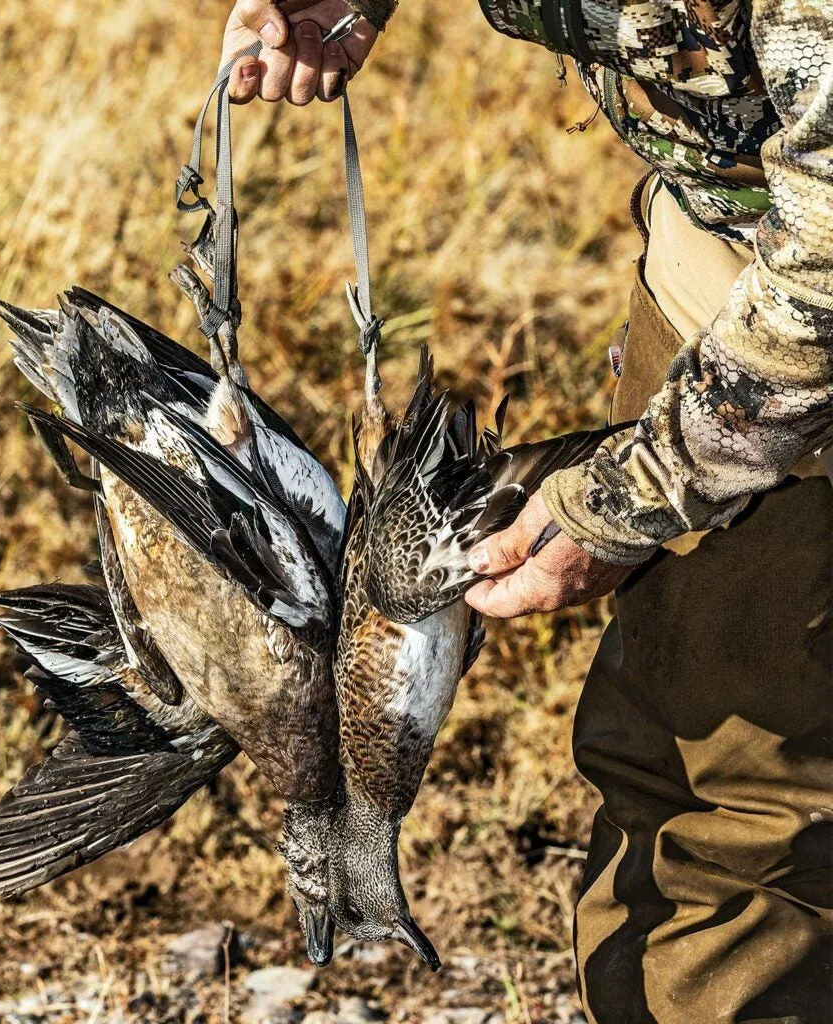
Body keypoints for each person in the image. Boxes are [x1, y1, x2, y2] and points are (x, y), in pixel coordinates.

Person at [218, 2, 833, 1021]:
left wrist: (630, 496)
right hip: (718, 265)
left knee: (739, 823)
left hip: (793, 324)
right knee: (686, 772)